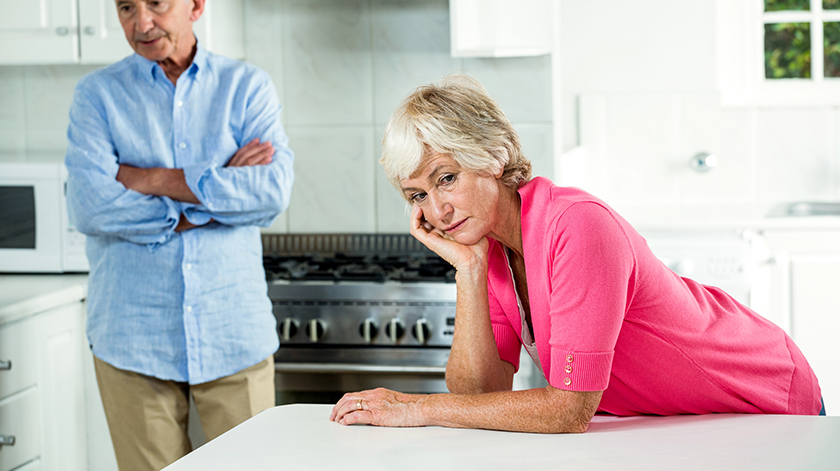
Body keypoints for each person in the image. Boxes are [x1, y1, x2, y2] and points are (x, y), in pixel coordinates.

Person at [330, 74, 824, 433]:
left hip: (763, 398)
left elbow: (567, 410)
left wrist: (416, 408)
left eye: (446, 178)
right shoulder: (493, 249)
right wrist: (470, 271)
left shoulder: (576, 225)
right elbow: (478, 396)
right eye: (417, 195)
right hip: (680, 426)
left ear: (494, 155)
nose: (436, 209)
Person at [65, 0, 294, 470]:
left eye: (155, 3)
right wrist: (214, 193)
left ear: (194, 3)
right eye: (126, 7)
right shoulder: (96, 97)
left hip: (232, 330)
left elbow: (270, 193)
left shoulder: (248, 88)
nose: (141, 22)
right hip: (130, 338)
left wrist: (150, 179)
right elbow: (92, 208)